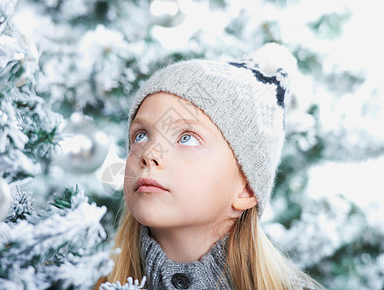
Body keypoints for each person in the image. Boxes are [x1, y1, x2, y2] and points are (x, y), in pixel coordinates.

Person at [97, 43, 324, 290]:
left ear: (246, 187)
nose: (150, 154)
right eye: (140, 136)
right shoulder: (82, 279)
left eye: (187, 138)